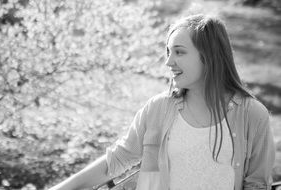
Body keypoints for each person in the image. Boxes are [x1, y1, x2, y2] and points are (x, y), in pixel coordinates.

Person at [48, 13, 276, 190]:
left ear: (209, 56)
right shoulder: (158, 109)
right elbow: (117, 160)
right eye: (168, 51)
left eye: (179, 52)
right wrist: (62, 187)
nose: (168, 62)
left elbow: (257, 184)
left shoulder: (252, 114)